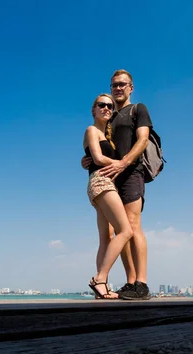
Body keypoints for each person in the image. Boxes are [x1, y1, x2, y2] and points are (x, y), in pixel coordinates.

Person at [81, 70, 152, 300]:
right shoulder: (108, 118)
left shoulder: (138, 109)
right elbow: (98, 147)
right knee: (114, 232)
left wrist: (124, 163)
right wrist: (87, 160)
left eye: (123, 84)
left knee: (131, 226)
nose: (118, 88)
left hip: (130, 172)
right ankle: (129, 281)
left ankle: (141, 283)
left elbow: (143, 139)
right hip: (110, 178)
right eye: (114, 85)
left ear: (131, 87)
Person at [83, 93, 134, 300]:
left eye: (110, 106)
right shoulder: (92, 130)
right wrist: (122, 164)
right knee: (126, 230)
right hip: (102, 182)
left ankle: (100, 289)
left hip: (103, 183)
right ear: (93, 110)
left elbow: (91, 158)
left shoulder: (108, 138)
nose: (106, 108)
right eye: (101, 105)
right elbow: (96, 157)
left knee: (106, 237)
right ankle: (100, 278)